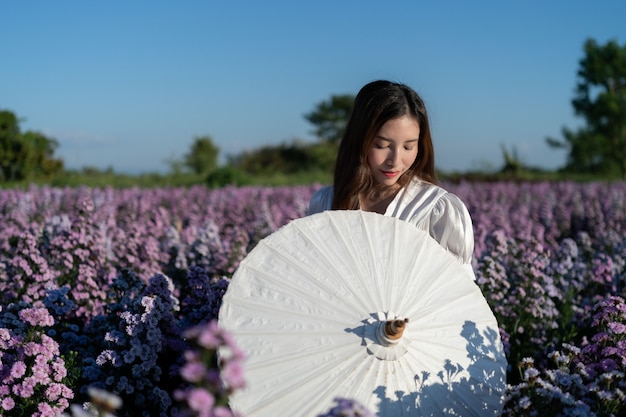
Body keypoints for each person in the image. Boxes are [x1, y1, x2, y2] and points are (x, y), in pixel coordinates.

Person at [307, 80, 475, 276]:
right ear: (359, 140)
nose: (395, 161)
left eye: (408, 147)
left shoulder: (436, 210)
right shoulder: (326, 202)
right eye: (382, 145)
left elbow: (456, 290)